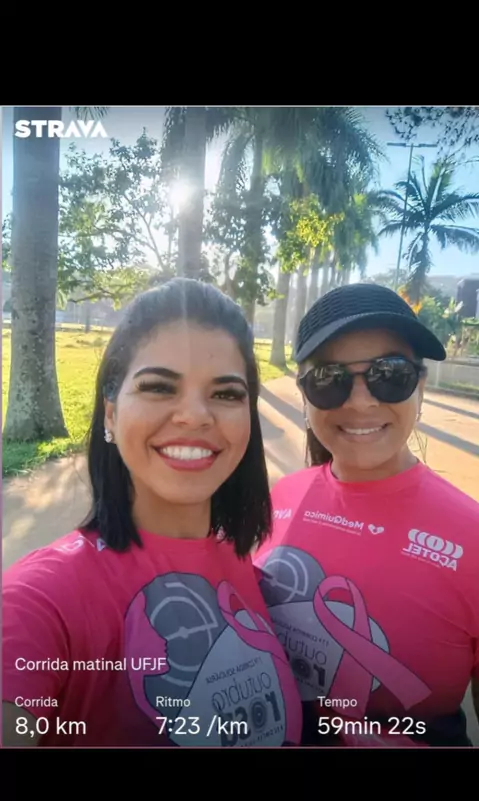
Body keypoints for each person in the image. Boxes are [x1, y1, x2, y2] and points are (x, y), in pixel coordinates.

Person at [2, 278, 302, 748]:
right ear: (110, 413)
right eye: (159, 387)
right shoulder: (40, 600)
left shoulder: (247, 568)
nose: (195, 416)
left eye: (226, 394)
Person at [253, 283, 479, 747]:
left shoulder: (473, 536)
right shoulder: (279, 499)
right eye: (329, 378)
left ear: (420, 385)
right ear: (304, 395)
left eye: (389, 374)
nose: (359, 402)